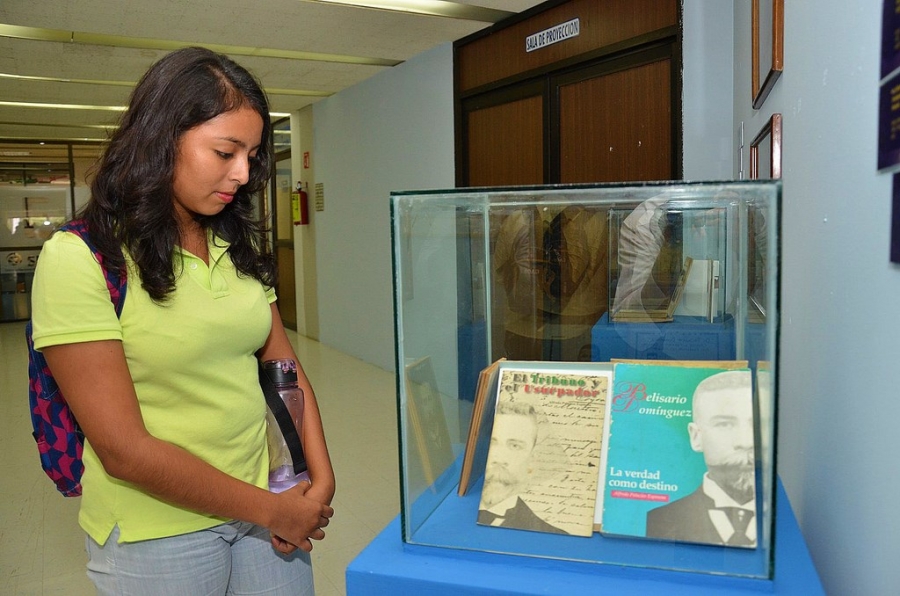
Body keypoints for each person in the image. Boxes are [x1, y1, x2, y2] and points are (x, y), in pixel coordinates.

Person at [30, 47, 335, 594]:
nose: (242, 174)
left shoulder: (233, 241)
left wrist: (318, 472)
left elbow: (281, 362)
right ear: (161, 139)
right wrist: (270, 510)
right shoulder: (80, 257)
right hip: (159, 531)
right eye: (225, 151)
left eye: (251, 154)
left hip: (266, 499)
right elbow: (124, 450)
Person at [645, 370, 757, 547]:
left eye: (757, 423)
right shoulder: (658, 521)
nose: (745, 442)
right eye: (725, 424)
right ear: (696, 437)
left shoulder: (786, 522)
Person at [477, 401, 567, 535]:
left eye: (514, 446)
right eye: (492, 442)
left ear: (532, 460)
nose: (499, 459)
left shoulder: (551, 533)